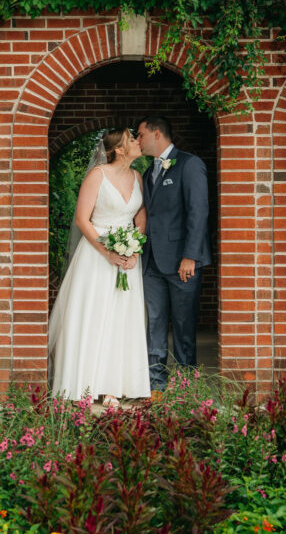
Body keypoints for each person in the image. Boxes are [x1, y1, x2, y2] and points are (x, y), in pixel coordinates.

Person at [48, 128, 151, 405]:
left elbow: (140, 216)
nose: (137, 142)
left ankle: (113, 387)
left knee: (122, 320)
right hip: (97, 257)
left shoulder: (138, 176)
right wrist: (108, 253)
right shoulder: (98, 175)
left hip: (128, 259)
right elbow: (83, 219)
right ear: (119, 149)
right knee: (94, 316)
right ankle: (86, 383)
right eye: (132, 139)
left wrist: (135, 248)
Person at [136, 116, 211, 392]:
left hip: (183, 261)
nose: (138, 140)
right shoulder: (146, 173)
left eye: (141, 135)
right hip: (152, 262)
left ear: (157, 133)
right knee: (154, 322)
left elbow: (198, 212)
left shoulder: (190, 165)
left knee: (183, 324)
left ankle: (186, 384)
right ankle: (156, 382)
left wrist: (191, 256)